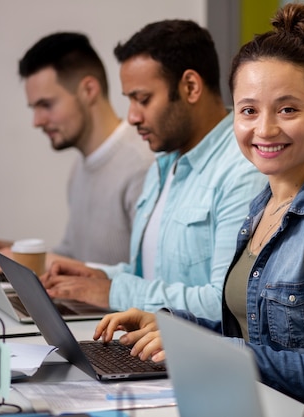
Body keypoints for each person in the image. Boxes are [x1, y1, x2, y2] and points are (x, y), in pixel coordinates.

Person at [92, 3, 304, 404]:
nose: (265, 129)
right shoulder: (262, 206)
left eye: (288, 109)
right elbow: (252, 332)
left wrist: (221, 353)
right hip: (252, 402)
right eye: (249, 111)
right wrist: (171, 326)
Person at [40, 20, 266, 319]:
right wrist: (96, 276)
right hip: (148, 343)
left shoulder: (242, 171)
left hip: (191, 356)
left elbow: (224, 304)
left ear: (190, 87)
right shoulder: (164, 163)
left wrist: (113, 291)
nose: (132, 117)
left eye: (143, 99)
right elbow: (151, 276)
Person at [0, 32, 154, 266]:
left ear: (89, 90)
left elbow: (149, 279)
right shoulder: (80, 169)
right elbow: (76, 257)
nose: (37, 121)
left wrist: (43, 262)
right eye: (34, 108)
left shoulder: (143, 164)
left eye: (46, 105)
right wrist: (18, 255)